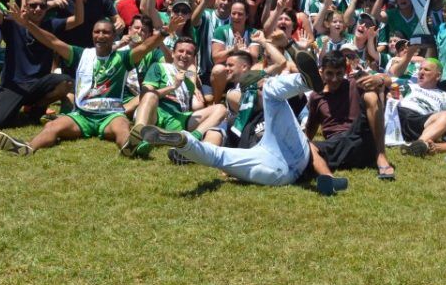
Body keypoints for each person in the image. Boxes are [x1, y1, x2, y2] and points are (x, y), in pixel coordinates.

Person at [139, 51, 351, 196]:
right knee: (218, 155)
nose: (227, 68)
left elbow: (278, 69)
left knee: (219, 155)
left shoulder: (273, 104)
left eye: (232, 65)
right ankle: (182, 142)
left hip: (277, 165)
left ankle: (185, 143)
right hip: (278, 168)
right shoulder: (238, 101)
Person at [0, 9, 178, 156]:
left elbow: (145, 46)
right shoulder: (81, 55)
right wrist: (28, 25)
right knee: (52, 126)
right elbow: (52, 41)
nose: (100, 35)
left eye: (106, 32)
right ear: (92, 35)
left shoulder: (123, 57)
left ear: (114, 36)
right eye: (97, 32)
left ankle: (131, 147)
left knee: (122, 128)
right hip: (82, 115)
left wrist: (164, 32)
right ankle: (27, 148)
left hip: (110, 115)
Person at [0, 0, 78, 130]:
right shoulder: (13, 23)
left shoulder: (51, 26)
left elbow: (78, 20)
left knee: (66, 81)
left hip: (38, 85)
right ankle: (6, 107)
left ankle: (36, 109)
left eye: (42, 5)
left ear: (47, 8)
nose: (38, 9)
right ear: (25, 7)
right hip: (14, 85)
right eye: (33, 5)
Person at [304, 51, 396, 180]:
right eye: (330, 73)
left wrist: (378, 79)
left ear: (345, 72)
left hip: (361, 137)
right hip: (337, 146)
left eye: (339, 74)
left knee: (370, 95)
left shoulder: (355, 83)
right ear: (321, 72)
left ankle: (381, 156)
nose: (335, 79)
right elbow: (310, 130)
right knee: (308, 147)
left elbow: (388, 80)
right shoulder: (316, 97)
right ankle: (327, 177)